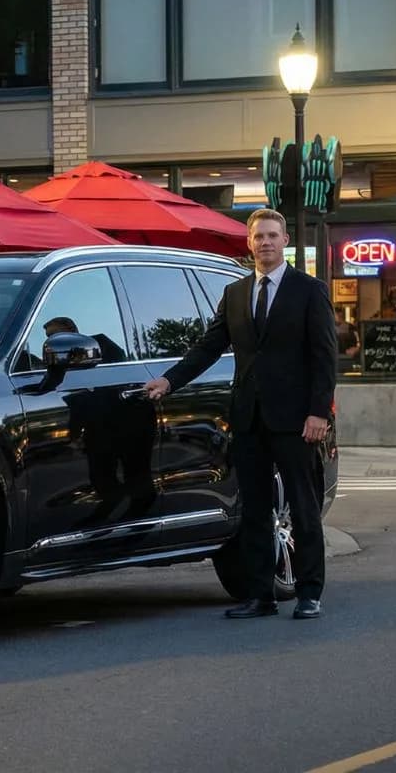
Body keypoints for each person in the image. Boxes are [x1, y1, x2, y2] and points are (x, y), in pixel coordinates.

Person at [143, 208, 336, 621]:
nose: (265, 243)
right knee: (254, 511)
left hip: (295, 421)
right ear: (249, 243)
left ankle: (309, 592)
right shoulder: (235, 294)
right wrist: (169, 381)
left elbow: (324, 357)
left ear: (285, 241)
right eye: (258, 237)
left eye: (272, 236)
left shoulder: (309, 290)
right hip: (248, 419)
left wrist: (318, 412)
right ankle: (260, 595)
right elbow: (208, 347)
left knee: (302, 507)